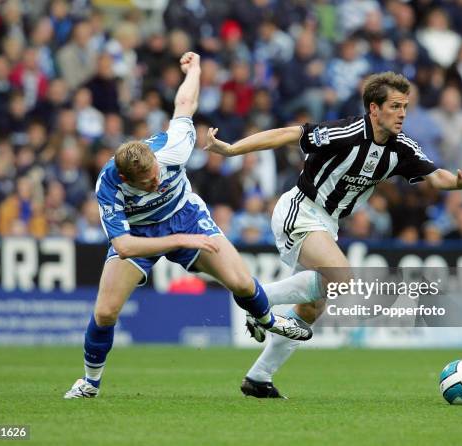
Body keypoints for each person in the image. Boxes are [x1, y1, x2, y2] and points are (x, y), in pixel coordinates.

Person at [204, 71, 462, 398]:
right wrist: (231, 150)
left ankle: (258, 378)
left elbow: (434, 176)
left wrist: (458, 182)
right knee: (343, 279)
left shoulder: (401, 149)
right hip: (301, 209)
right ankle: (256, 299)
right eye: (395, 106)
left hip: (327, 225)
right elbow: (289, 134)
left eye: (405, 106)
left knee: (311, 308)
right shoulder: (346, 132)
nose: (402, 113)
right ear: (374, 109)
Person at [64, 52, 312, 400]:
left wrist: (194, 69)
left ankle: (267, 319)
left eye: (156, 174)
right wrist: (177, 240)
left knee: (241, 282)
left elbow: (185, 102)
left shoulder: (173, 147)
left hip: (187, 216)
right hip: (140, 234)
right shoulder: (109, 185)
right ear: (125, 178)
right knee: (105, 311)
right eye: (147, 182)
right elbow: (123, 247)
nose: (156, 180)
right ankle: (89, 382)